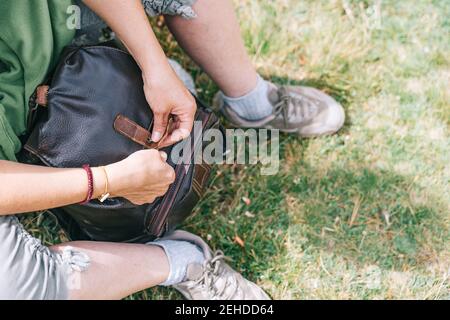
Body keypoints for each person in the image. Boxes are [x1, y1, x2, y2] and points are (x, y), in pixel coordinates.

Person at [0, 0, 344, 300]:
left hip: (56, 25)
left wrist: (154, 66)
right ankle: (182, 261)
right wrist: (105, 181)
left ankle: (250, 101)